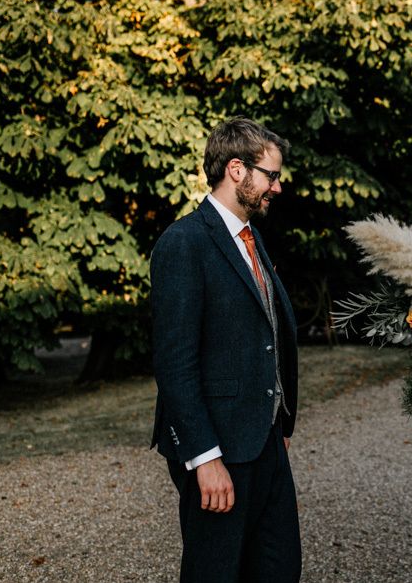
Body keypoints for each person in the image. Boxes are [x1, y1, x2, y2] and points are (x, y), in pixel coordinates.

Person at [150, 117, 301, 583]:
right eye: (270, 175)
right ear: (237, 169)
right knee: (215, 572)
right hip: (219, 448)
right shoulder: (184, 242)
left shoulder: (250, 239)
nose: (277, 187)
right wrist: (205, 458)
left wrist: (282, 417)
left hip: (267, 440)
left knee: (278, 568)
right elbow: (174, 362)